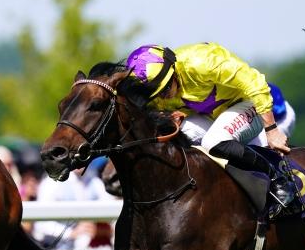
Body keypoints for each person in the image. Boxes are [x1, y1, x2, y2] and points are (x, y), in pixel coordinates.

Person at [126, 43, 294, 209]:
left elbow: (255, 83)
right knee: (176, 138)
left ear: (173, 69)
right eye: (158, 94)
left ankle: (276, 177)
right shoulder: (156, 94)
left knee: (213, 141)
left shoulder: (202, 61)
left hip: (250, 104)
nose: (165, 96)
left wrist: (272, 130)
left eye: (166, 88)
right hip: (214, 116)